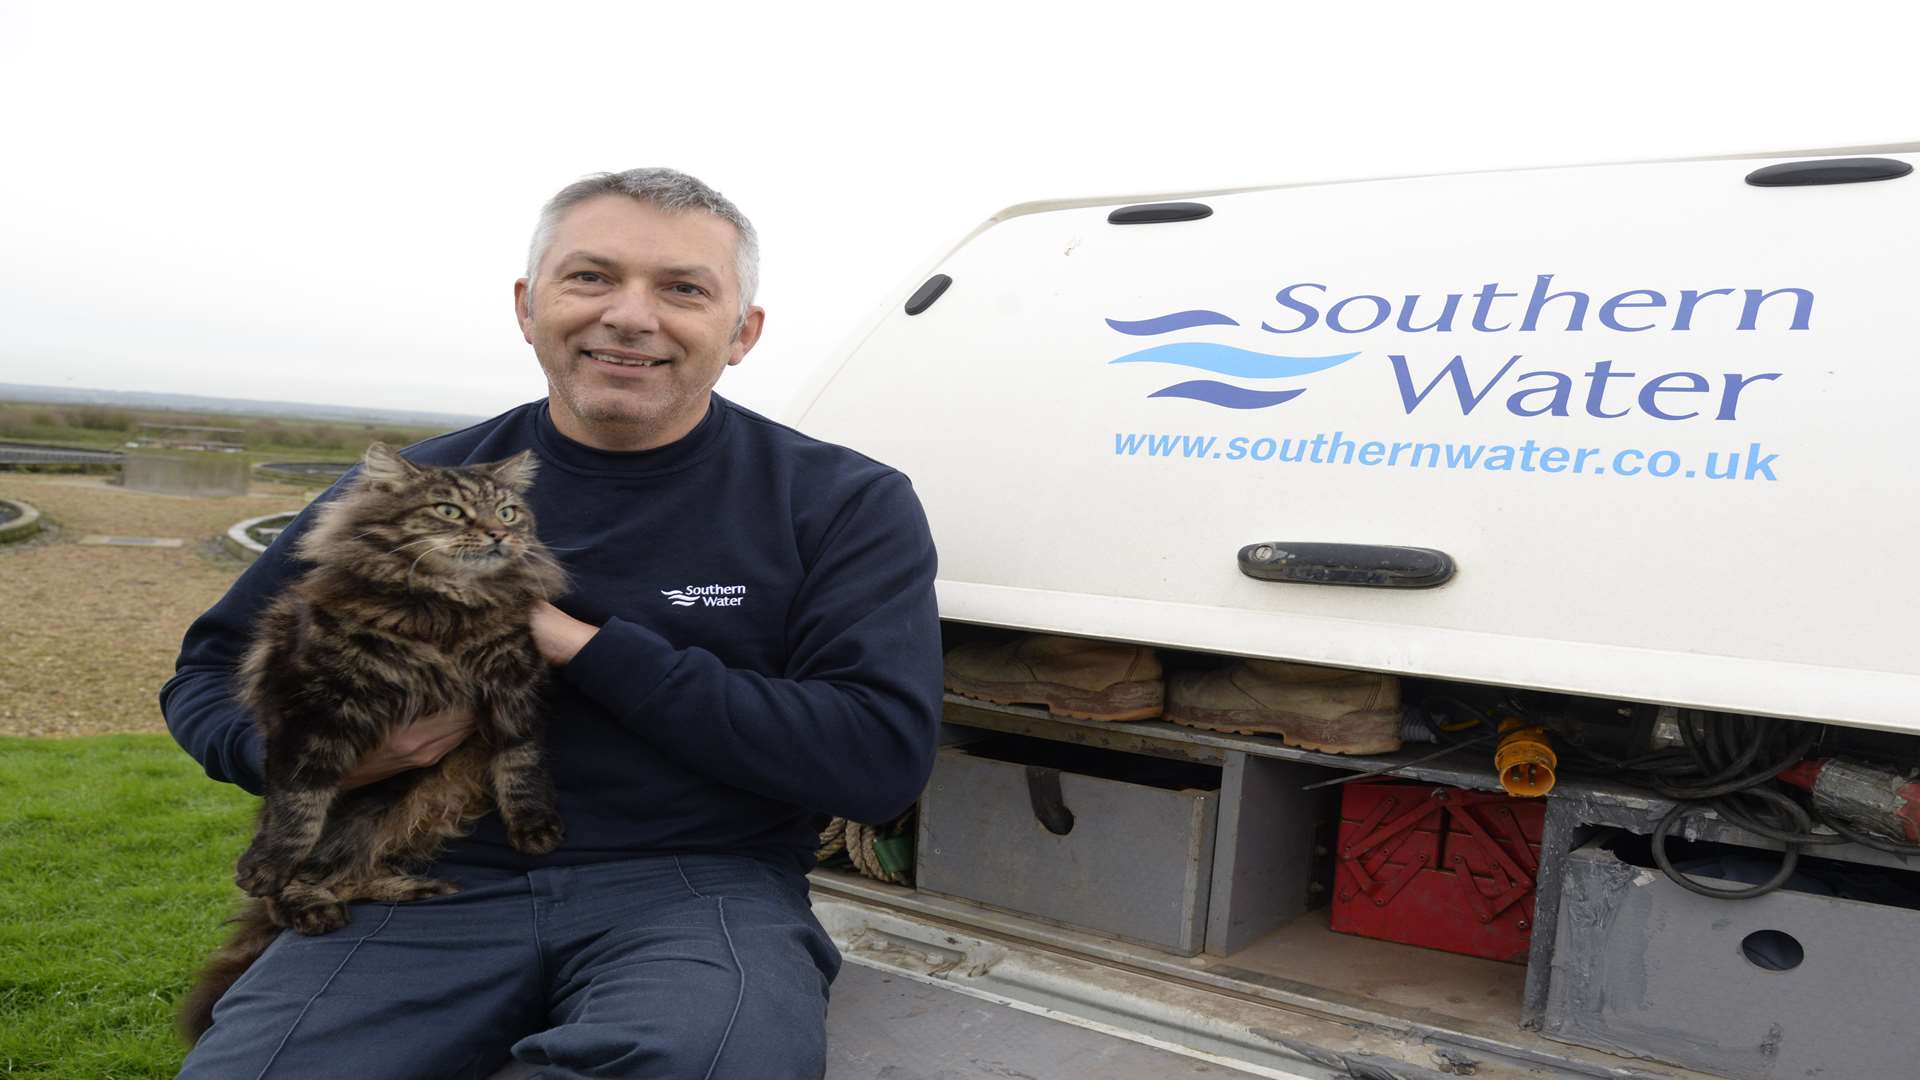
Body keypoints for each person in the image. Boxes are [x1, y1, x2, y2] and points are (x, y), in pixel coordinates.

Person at [162, 168, 944, 1079]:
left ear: (743, 332)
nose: (630, 315)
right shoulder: (410, 490)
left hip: (699, 886)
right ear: (530, 306)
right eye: (591, 277)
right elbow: (207, 674)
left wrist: (582, 644)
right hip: (426, 884)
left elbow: (876, 757)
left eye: (683, 289)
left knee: (703, 1061)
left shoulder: (841, 502)